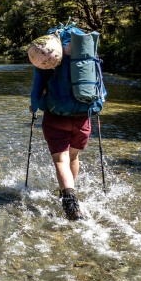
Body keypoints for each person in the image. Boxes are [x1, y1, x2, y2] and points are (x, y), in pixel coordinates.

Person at [28, 30, 90, 221]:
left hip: (56, 119)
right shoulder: (86, 60)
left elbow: (36, 96)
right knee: (73, 156)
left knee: (60, 160)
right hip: (82, 119)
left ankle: (70, 201)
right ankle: (68, 190)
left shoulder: (45, 62)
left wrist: (34, 107)